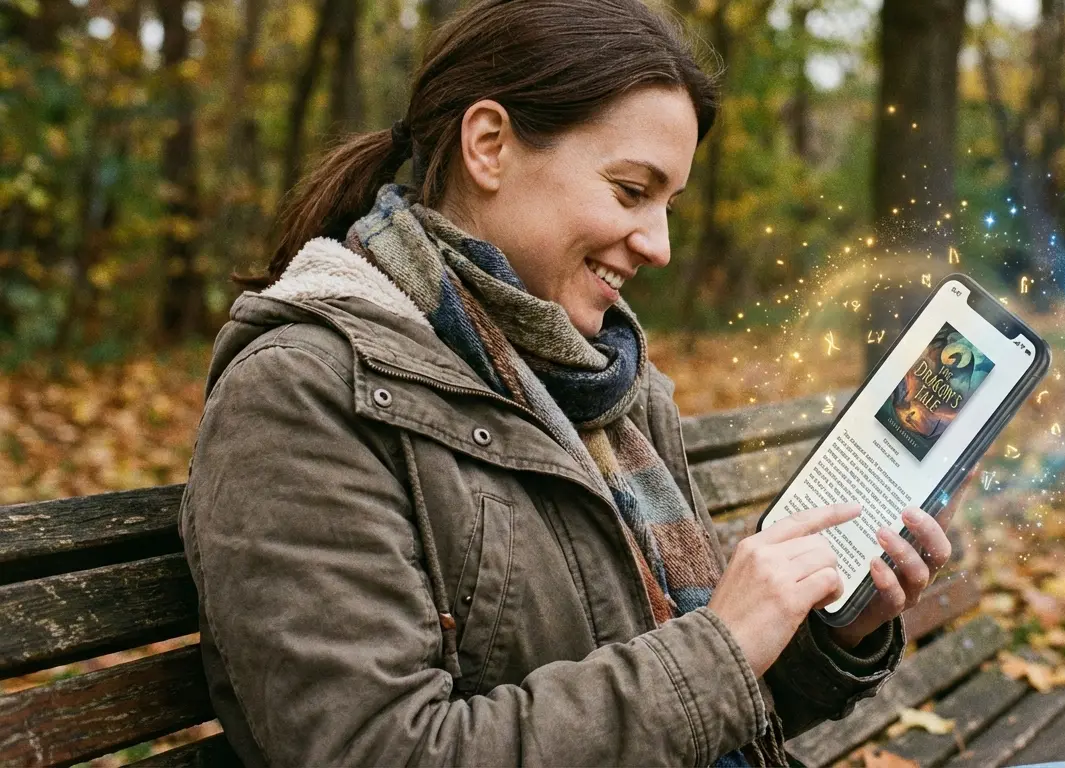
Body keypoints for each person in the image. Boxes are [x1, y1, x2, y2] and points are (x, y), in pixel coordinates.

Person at [179, 1, 956, 764]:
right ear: (489, 145)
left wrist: (828, 630)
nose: (660, 246)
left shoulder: (606, 388)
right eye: (630, 190)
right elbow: (380, 748)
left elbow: (707, 706)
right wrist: (720, 650)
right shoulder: (301, 393)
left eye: (671, 204)